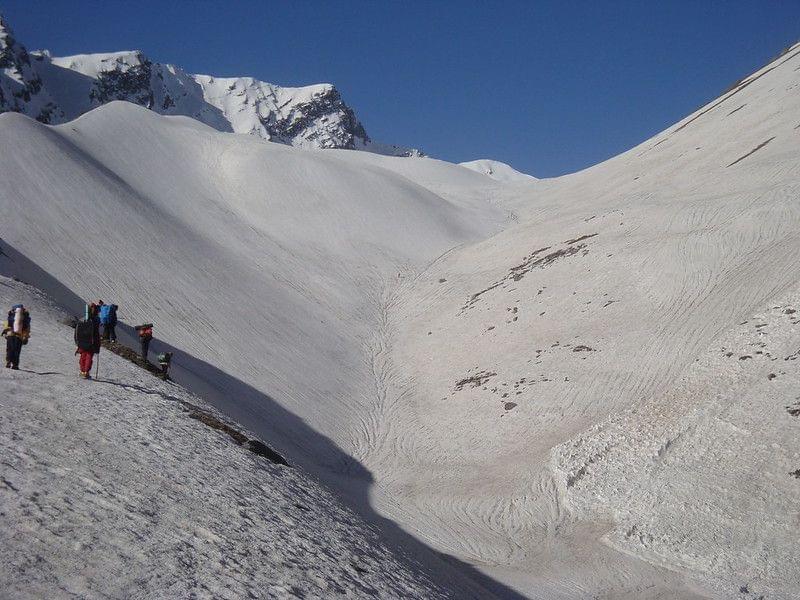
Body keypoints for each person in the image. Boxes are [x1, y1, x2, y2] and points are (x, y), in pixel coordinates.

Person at [74, 303, 101, 379]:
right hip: (92, 342)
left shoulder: (84, 319)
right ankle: (86, 372)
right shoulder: (96, 320)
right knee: (89, 357)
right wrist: (98, 345)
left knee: (83, 356)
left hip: (83, 341)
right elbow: (96, 333)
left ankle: (82, 371)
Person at [2, 304, 31, 369]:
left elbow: (7, 324)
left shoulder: (11, 315)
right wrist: (25, 337)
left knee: (9, 349)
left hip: (10, 334)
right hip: (19, 336)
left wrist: (6, 333)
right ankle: (15, 365)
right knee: (17, 350)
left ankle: (8, 362)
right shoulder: (25, 318)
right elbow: (27, 329)